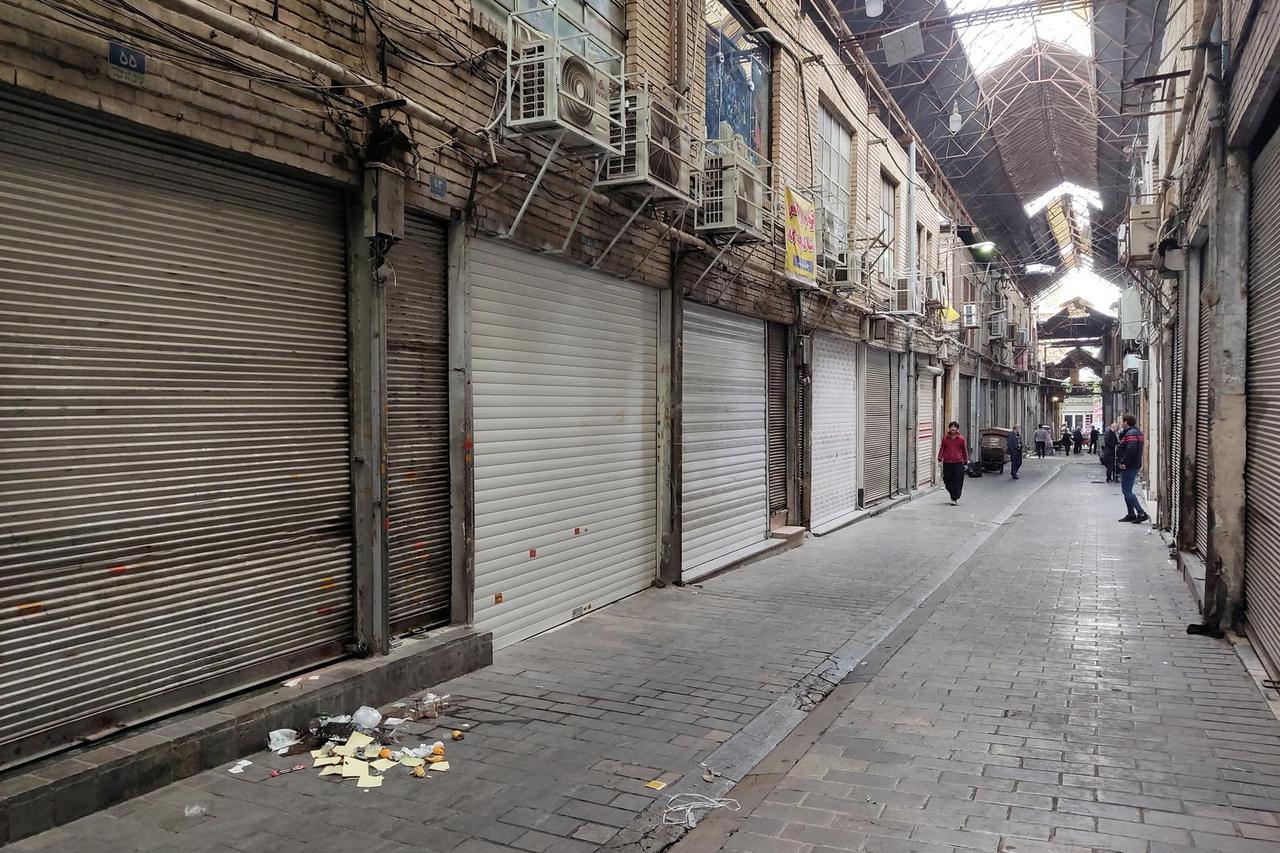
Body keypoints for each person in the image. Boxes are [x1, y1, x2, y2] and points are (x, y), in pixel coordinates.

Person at [1117, 414, 1150, 523]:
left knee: (1127, 491)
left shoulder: (1131, 434)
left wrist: (1123, 461)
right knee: (1126, 490)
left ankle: (1141, 513)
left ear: (1126, 422)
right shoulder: (1135, 433)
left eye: (1122, 422)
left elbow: (1131, 449)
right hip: (1133, 465)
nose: (1121, 424)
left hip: (1129, 466)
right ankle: (1131, 514)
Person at [938, 420, 968, 505]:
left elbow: (964, 451)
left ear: (957, 429)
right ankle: (953, 493)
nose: (953, 428)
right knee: (947, 479)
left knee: (958, 480)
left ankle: (955, 497)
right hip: (948, 462)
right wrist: (940, 459)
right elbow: (942, 449)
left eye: (954, 427)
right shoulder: (945, 438)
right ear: (949, 428)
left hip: (958, 462)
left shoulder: (961, 439)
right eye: (951, 427)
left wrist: (966, 462)